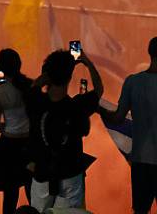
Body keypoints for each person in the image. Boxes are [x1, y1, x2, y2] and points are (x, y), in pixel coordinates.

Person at [101, 36, 157, 214]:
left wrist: (98, 108)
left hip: (139, 161)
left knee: (140, 210)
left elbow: (118, 118)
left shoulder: (132, 82)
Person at [27, 50, 103, 210]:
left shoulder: (36, 102)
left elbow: (32, 89)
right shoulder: (77, 106)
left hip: (42, 171)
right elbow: (98, 90)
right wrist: (88, 63)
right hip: (71, 173)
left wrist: (44, 78)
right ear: (69, 77)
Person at [0, 49, 34, 214]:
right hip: (30, 146)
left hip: (9, 147)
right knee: (32, 193)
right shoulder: (30, 86)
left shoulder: (0, 93)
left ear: (1, 68)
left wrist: (6, 124)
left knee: (10, 195)